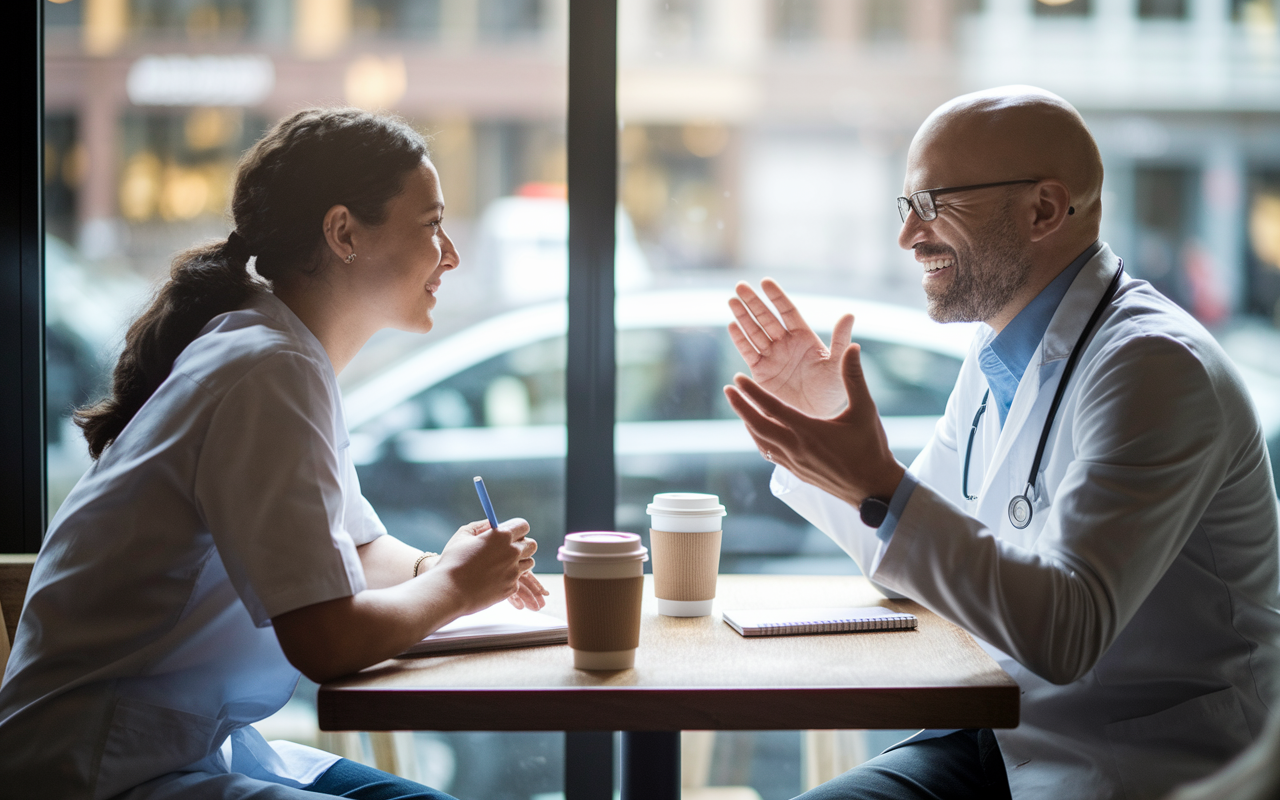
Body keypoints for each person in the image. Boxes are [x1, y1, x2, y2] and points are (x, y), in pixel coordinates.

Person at [723, 86, 1280, 800]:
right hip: (996, 738)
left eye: (932, 203)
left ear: (1044, 210)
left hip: (1125, 765)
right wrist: (833, 435)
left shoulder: (1154, 368)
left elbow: (1066, 633)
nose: (907, 237)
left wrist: (878, 485)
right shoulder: (995, 358)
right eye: (906, 207)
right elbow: (907, 566)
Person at [0, 108, 548, 800]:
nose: (451, 253)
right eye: (431, 223)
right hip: (98, 772)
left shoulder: (277, 353)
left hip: (174, 749)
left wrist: (435, 566)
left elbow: (354, 545)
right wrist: (458, 589)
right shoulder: (267, 369)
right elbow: (324, 641)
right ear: (343, 232)